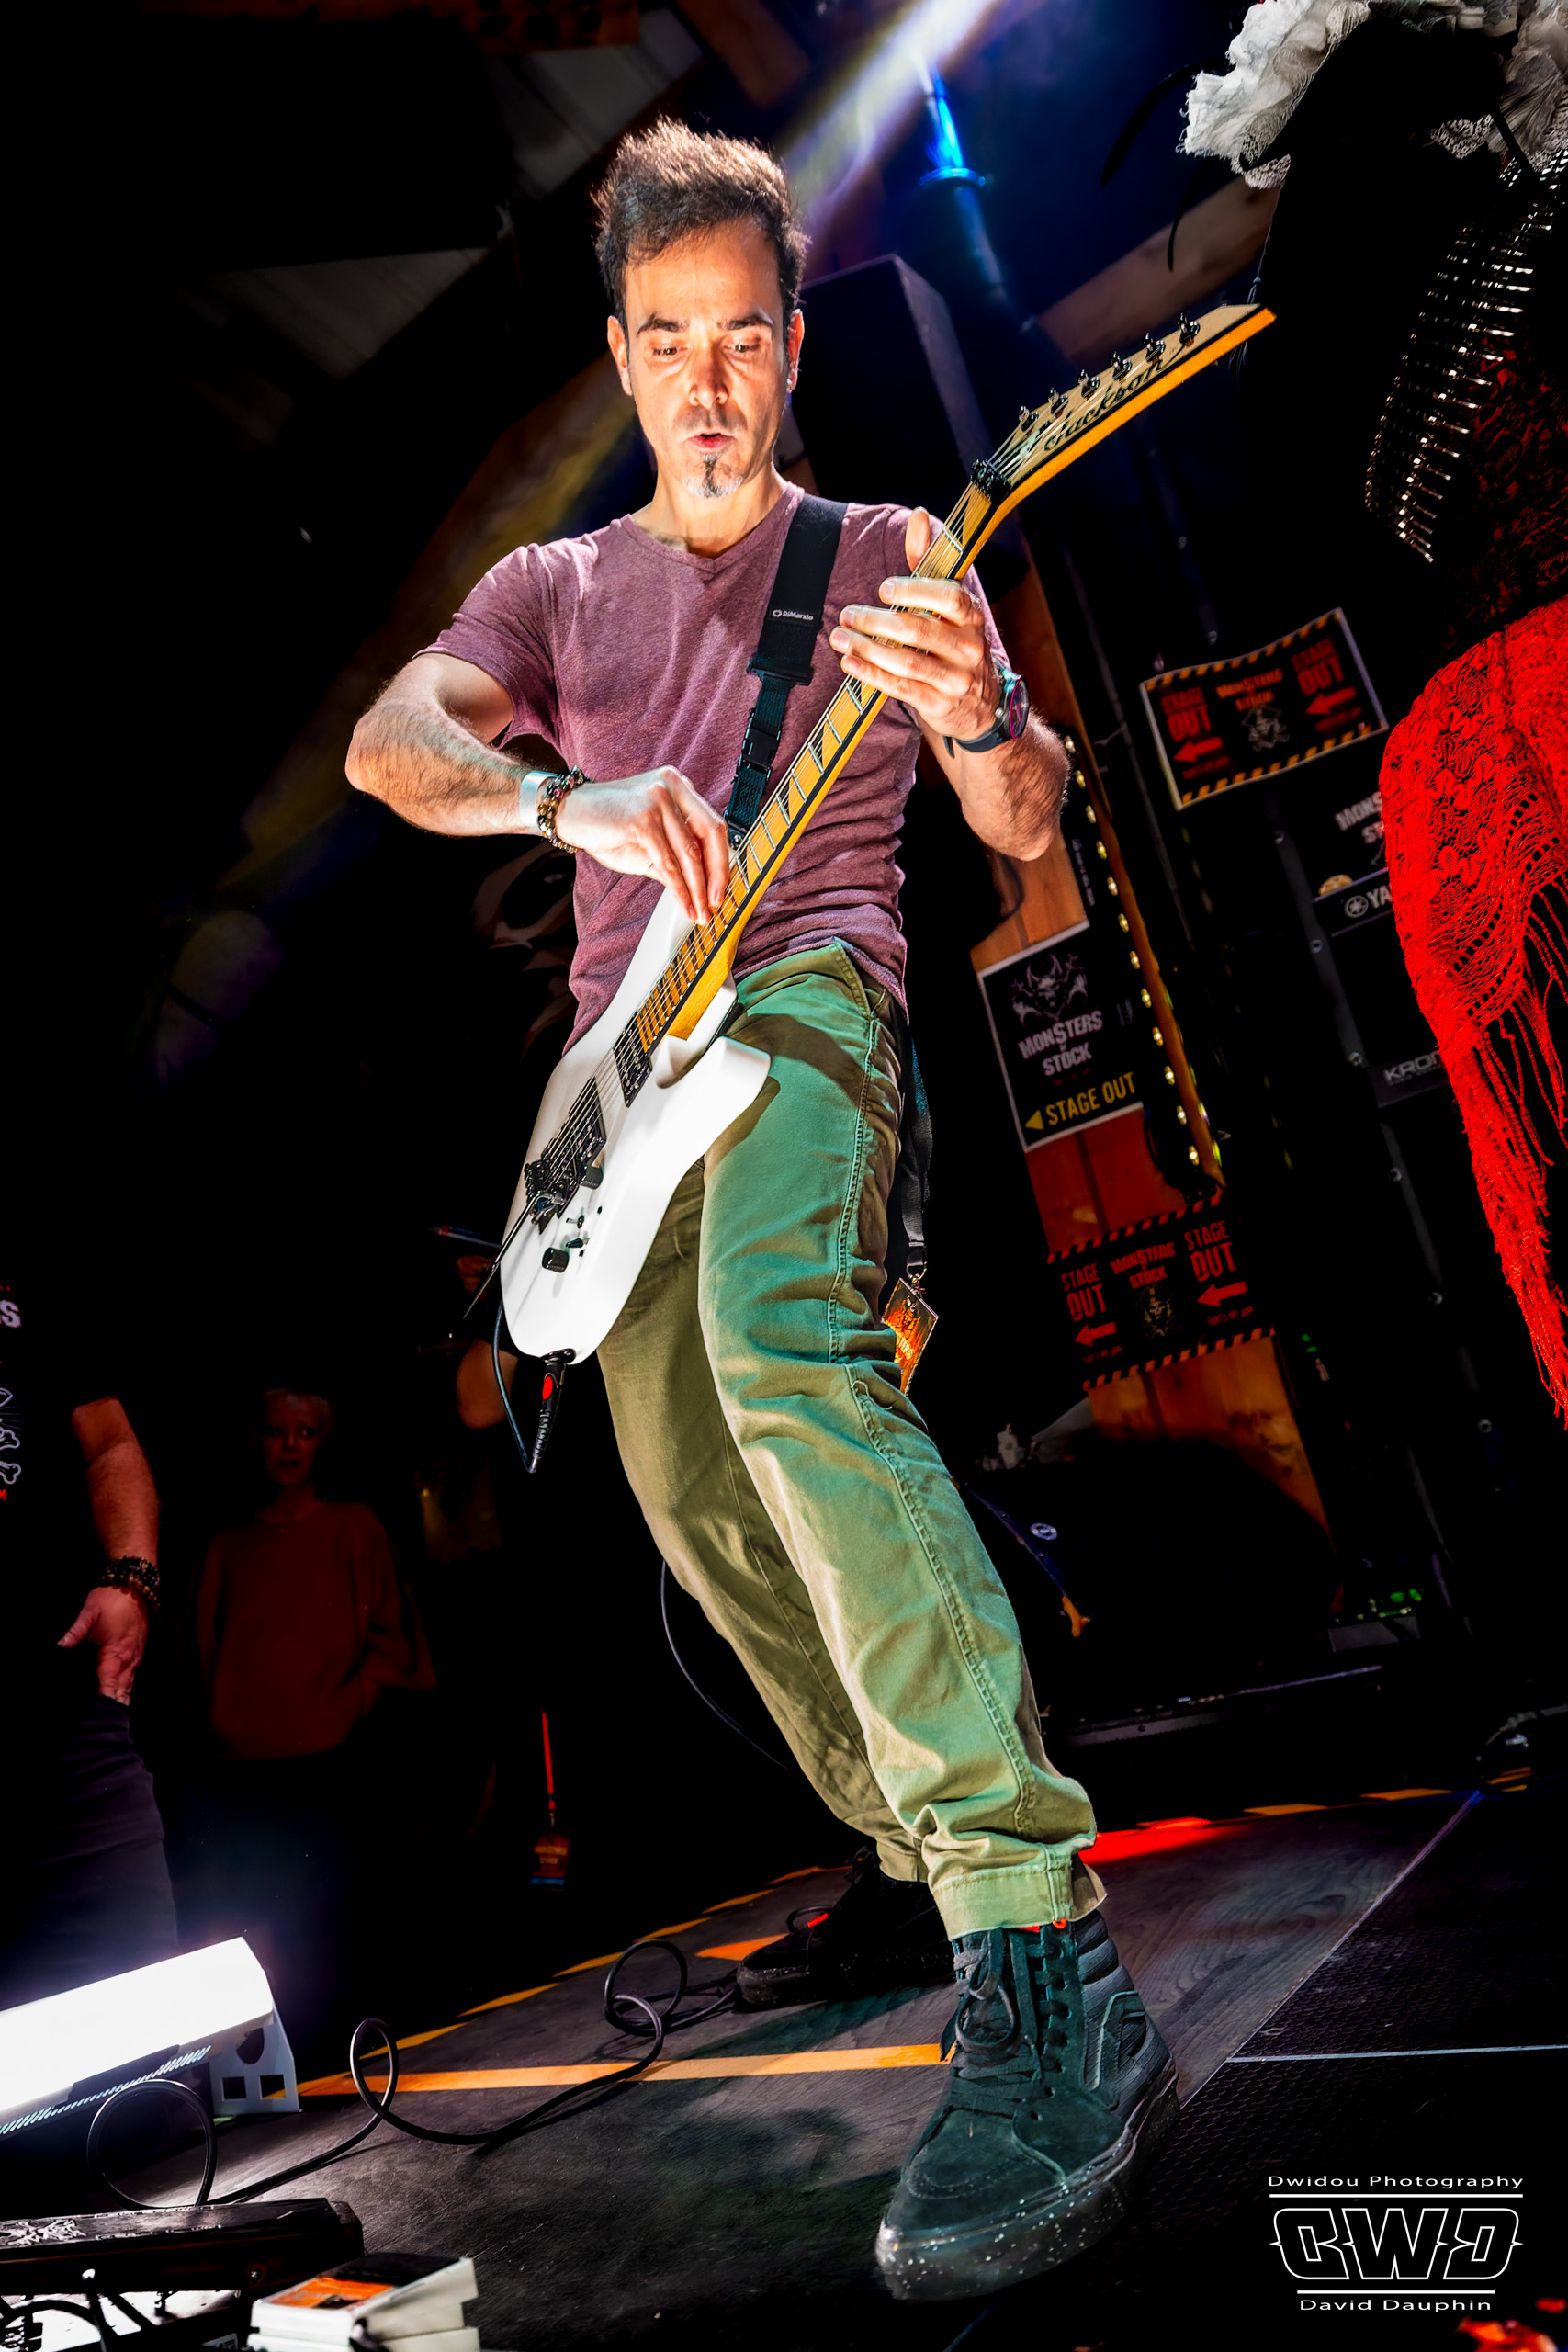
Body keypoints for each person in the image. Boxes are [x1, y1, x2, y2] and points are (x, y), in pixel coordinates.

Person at [346, 121, 1174, 2301]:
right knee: (693, 1492)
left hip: (807, 1000)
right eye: (668, 340)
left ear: (791, 346)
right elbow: (388, 743)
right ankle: (909, 1848)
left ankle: (1035, 1933)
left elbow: (1023, 820)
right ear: (623, 354)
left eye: (743, 340)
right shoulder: (556, 591)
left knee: (781, 1351)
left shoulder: (885, 547)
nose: (707, 382)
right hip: (618, 1091)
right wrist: (563, 795)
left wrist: (979, 710)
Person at [182, 1387, 434, 2058]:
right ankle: (296, 2062)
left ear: (325, 1442)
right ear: (255, 1441)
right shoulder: (228, 1545)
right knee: (266, 1923)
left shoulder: (354, 1526)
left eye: (305, 1432)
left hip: (331, 1761)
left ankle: (359, 2054)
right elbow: (199, 1657)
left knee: (342, 1917)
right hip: (245, 1773)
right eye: (275, 1431)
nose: (290, 1445)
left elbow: (393, 1635)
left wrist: (353, 1703)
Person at [1, 1246, 178, 2009]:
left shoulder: (26, 1280)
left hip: (67, 1715)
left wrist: (133, 1579)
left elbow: (108, 1440)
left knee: (140, 2012)